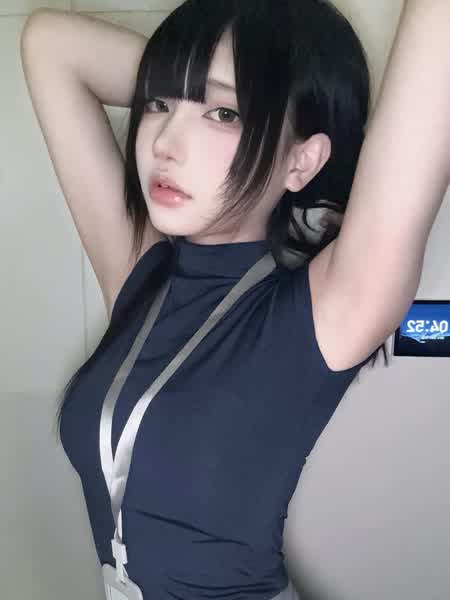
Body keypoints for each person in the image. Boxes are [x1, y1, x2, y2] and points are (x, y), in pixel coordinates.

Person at [21, 1, 450, 599]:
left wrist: (270, 101)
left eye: (223, 114)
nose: (164, 142)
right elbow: (50, 44)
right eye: (159, 102)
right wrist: (213, 83)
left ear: (301, 161)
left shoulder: (320, 314)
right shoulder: (141, 274)